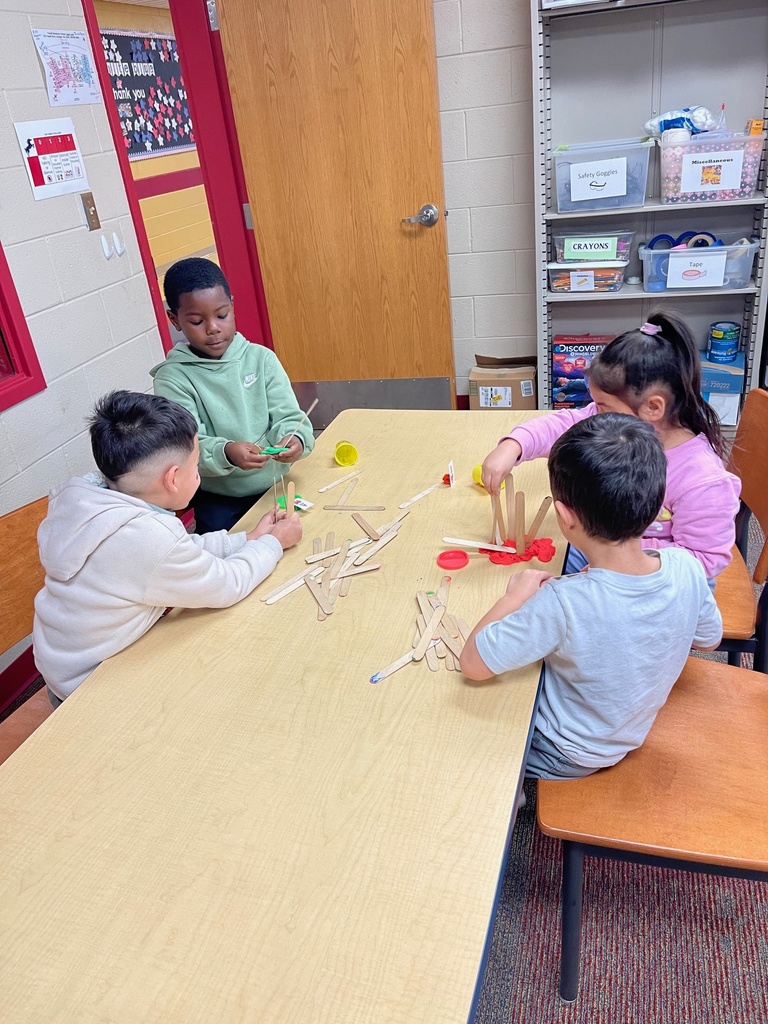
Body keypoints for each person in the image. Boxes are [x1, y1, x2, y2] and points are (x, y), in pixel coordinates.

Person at [460, 414, 722, 780]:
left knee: (462, 720)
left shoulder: (564, 602)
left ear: (564, 517)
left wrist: (514, 596)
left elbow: (472, 663)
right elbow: (709, 640)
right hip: (628, 727)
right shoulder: (687, 567)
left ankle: (514, 787)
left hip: (564, 751)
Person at [33, 390, 302, 705]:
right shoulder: (147, 538)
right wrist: (274, 543)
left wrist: (248, 538)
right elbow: (227, 585)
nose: (198, 475)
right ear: (173, 479)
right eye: (197, 466)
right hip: (91, 687)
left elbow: (182, 549)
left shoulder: (92, 496)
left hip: (63, 666)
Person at [482, 311, 740, 580]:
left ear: (653, 407)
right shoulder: (614, 423)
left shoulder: (701, 479)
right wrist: (514, 445)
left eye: (603, 407)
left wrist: (622, 556)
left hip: (657, 581)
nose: (596, 413)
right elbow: (564, 424)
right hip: (601, 552)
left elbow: (705, 560)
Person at [151, 257, 314, 533]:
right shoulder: (173, 378)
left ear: (233, 307)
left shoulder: (261, 359)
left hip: (276, 488)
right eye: (196, 321)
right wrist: (226, 452)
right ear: (175, 320)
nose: (213, 328)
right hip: (218, 499)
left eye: (222, 315)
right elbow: (185, 449)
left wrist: (295, 438)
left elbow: (290, 416)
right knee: (229, 562)